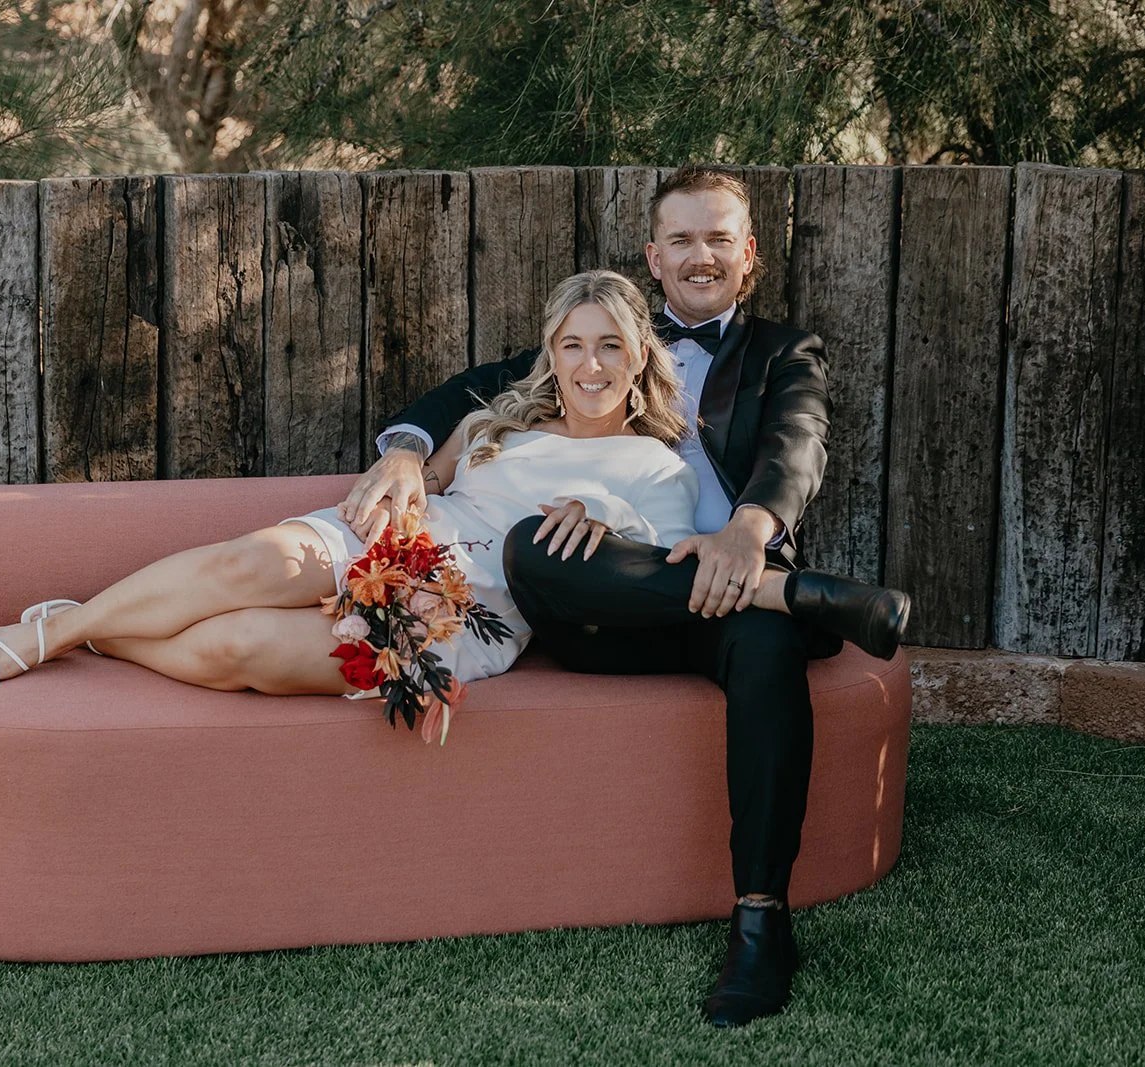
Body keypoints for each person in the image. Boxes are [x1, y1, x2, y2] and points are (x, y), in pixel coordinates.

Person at [340, 164, 910, 1028]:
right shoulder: (608, 339)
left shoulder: (781, 353)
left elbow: (797, 446)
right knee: (537, 545)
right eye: (682, 238)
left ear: (748, 255)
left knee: (762, 650)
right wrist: (409, 448)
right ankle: (798, 597)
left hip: (728, 593)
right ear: (654, 253)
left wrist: (747, 533)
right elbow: (477, 388)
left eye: (719, 238)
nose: (701, 255)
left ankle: (761, 921)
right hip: (610, 606)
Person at [0, 269, 702, 699]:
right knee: (239, 567)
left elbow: (657, 585)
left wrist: (603, 514)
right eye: (573, 344)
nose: (591, 365)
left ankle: (101, 636)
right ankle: (55, 631)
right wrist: (409, 463)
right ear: (551, 355)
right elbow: (428, 477)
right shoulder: (497, 424)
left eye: (610, 345)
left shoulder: (659, 468)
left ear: (639, 357)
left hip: (470, 612)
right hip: (407, 534)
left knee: (240, 646)